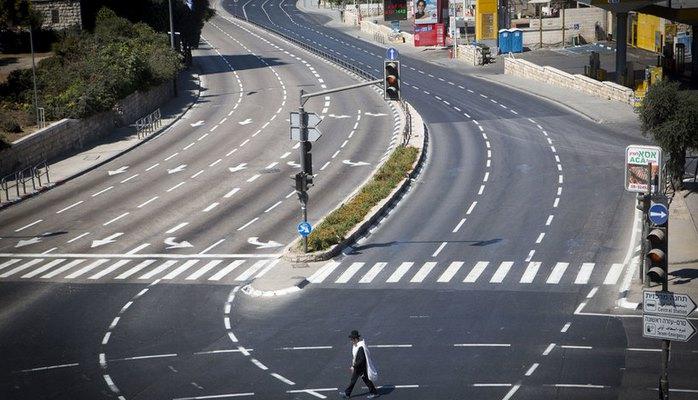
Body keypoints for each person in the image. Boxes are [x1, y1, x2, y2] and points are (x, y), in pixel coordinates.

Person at [340, 330, 379, 399]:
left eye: (352, 339)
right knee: (356, 380)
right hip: (358, 366)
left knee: (364, 379)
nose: (351, 341)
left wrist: (354, 366)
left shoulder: (360, 347)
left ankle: (374, 392)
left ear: (355, 339)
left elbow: (362, 359)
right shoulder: (356, 345)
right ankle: (347, 393)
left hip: (361, 367)